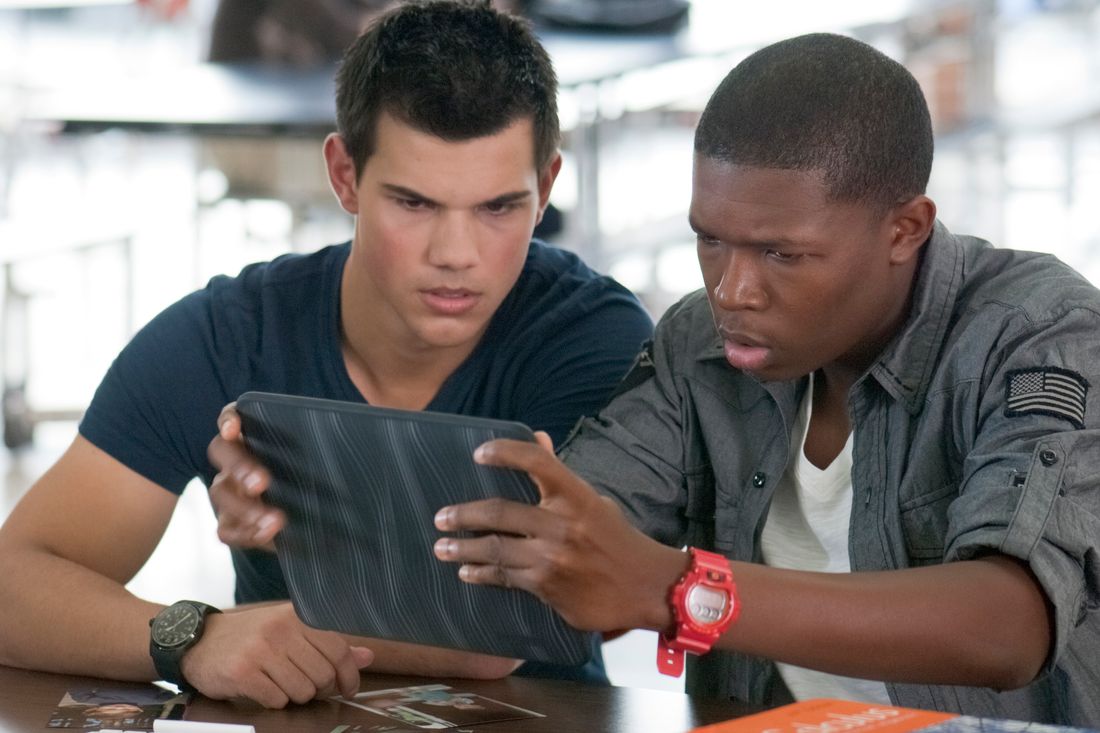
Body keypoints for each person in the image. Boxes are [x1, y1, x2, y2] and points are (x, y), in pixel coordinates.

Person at [427, 33, 1100, 724]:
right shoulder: (699, 344)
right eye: (710, 240)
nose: (732, 290)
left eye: (782, 253)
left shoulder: (1039, 334)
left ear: (905, 229)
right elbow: (563, 559)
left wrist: (678, 588)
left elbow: (1008, 626)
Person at [0, 0, 651, 710]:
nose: (456, 255)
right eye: (415, 204)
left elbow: (499, 633)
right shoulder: (230, 334)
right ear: (344, 175)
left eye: (498, 208)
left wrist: (275, 615)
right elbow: (12, 589)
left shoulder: (594, 340)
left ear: (547, 187)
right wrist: (195, 635)